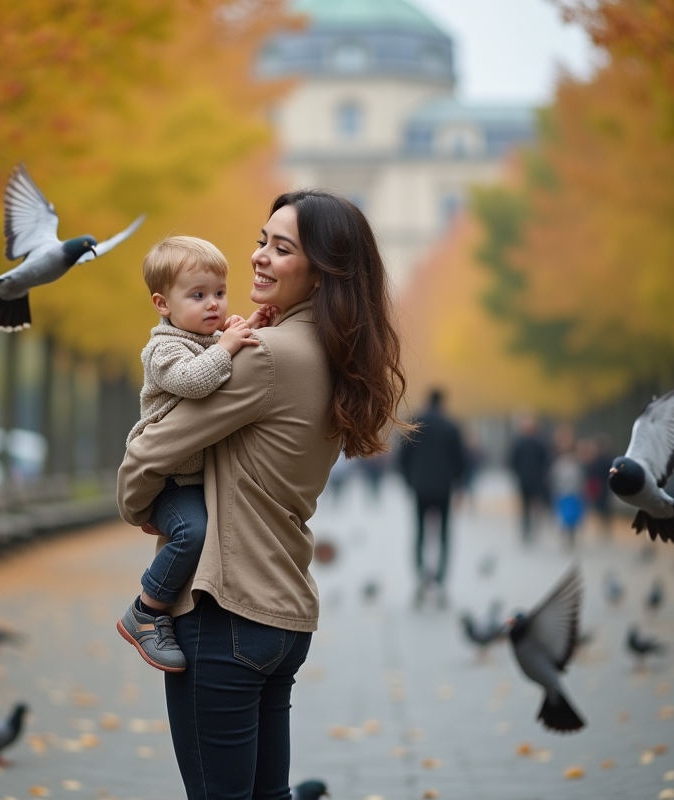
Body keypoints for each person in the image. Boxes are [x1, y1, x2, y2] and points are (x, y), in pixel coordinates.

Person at [118, 190, 408, 797]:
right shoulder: (333, 355)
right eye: (261, 241)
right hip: (283, 614)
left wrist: (145, 507)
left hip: (224, 608)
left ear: (322, 271)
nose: (258, 258)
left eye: (281, 249)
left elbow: (143, 457)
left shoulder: (263, 356)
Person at [117, 237, 274, 672]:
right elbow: (195, 382)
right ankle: (146, 610)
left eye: (220, 294)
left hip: (195, 477)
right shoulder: (164, 348)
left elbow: (232, 361)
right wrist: (227, 346)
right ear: (162, 303)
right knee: (193, 533)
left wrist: (253, 325)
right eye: (198, 295)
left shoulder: (208, 339)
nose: (214, 305)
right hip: (169, 480)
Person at [396, 388, 465, 605]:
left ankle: (420, 576)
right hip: (444, 488)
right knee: (444, 534)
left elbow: (402, 458)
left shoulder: (415, 423)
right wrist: (458, 484)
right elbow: (461, 460)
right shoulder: (451, 427)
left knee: (420, 533)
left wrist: (410, 481)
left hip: (420, 487)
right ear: (442, 402)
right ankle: (441, 579)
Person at [510, 414, 549, 542]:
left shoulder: (520, 443)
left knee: (528, 506)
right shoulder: (538, 443)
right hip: (532, 478)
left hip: (527, 478)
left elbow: (513, 461)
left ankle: (528, 528)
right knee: (532, 506)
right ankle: (530, 528)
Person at [549, 425, 585, 547]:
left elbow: (581, 475)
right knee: (563, 515)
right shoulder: (556, 458)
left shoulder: (576, 459)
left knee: (573, 515)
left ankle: (571, 535)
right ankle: (566, 534)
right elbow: (553, 476)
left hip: (574, 491)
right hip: (562, 491)